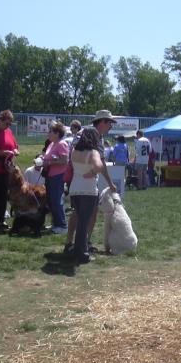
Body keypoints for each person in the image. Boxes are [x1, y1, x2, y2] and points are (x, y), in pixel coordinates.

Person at [63, 110, 117, 254]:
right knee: (89, 213)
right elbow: (101, 164)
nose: (111, 127)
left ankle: (70, 243)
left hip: (74, 178)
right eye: (110, 123)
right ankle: (84, 245)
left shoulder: (82, 133)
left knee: (77, 212)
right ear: (103, 122)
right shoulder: (95, 137)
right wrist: (110, 183)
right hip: (86, 181)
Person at [68, 128, 106, 264]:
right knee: (84, 222)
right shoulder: (93, 152)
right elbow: (99, 165)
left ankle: (76, 250)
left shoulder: (74, 151)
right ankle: (82, 254)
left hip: (74, 187)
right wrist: (92, 172)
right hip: (88, 189)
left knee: (80, 220)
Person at [43, 121, 69, 234]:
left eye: (50, 131)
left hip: (58, 176)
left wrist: (49, 163)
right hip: (50, 176)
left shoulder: (62, 144)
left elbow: (64, 161)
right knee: (51, 200)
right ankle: (56, 223)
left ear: (57, 133)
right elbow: (48, 157)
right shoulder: (52, 144)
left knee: (57, 200)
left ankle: (62, 225)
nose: (48, 133)